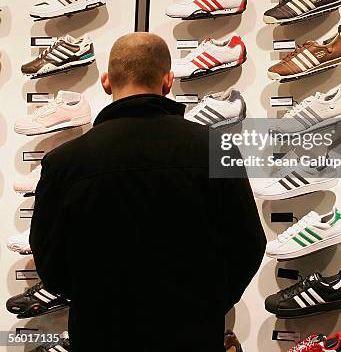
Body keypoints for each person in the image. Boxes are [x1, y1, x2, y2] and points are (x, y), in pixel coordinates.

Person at [30, 33, 266, 352]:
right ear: (168, 81)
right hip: (192, 334)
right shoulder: (215, 149)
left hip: (100, 335)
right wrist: (207, 304)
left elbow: (50, 264)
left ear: (106, 82)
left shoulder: (63, 162)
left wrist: (94, 299)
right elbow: (249, 244)